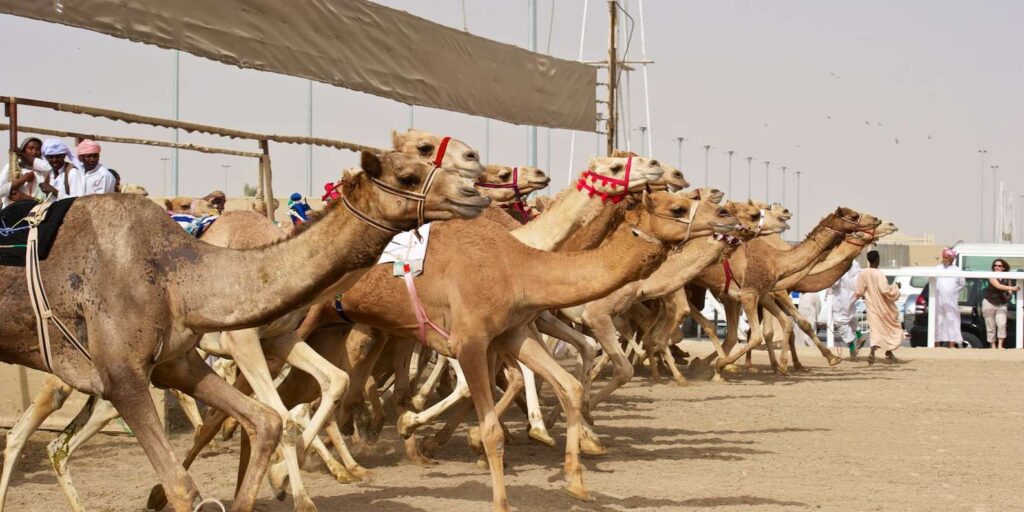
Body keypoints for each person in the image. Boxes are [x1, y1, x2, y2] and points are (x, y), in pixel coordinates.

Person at [854, 250, 903, 363]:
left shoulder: (863, 273)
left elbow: (860, 290)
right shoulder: (879, 274)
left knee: (875, 329)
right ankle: (874, 352)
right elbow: (885, 290)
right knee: (888, 329)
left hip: (871, 306)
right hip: (883, 307)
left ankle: (886, 352)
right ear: (877, 259)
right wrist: (896, 287)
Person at [0, 137, 52, 207]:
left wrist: (26, 198)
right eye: (31, 148)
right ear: (23, 150)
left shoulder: (44, 172)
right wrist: (23, 179)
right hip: (11, 211)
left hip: (36, 212)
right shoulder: (12, 167)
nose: (34, 152)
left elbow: (48, 201)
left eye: (38, 149)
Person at [982, 258, 1019, 349]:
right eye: (995, 265)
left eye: (999, 266)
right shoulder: (991, 275)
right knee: (990, 325)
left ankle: (1000, 345)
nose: (997, 267)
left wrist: (1010, 293)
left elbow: (1009, 288)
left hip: (1002, 303)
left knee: (1002, 324)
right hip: (989, 302)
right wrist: (1013, 288)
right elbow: (998, 286)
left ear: (1003, 268)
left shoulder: (1007, 276)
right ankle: (993, 345)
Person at [829, 260, 862, 357]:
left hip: (841, 298)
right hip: (852, 297)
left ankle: (852, 348)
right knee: (850, 317)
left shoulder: (839, 263)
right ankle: (859, 335)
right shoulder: (855, 263)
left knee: (840, 322)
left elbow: (835, 282)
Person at [935, 248, 965, 348]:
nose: (944, 259)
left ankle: (951, 344)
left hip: (951, 301)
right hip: (938, 300)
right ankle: (936, 344)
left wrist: (952, 292)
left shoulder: (957, 270)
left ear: (952, 258)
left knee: (951, 321)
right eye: (943, 257)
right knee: (938, 321)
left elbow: (962, 284)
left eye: (946, 257)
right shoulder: (937, 269)